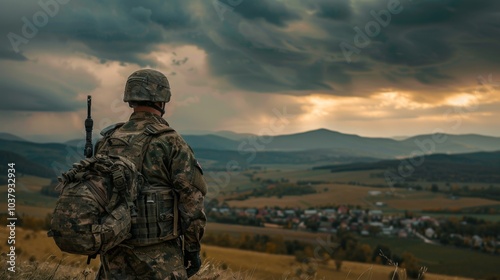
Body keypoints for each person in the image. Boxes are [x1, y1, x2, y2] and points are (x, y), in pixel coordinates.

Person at [94, 69, 207, 279]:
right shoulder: (170, 141)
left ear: (130, 99)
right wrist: (192, 248)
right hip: (159, 254)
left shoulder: (107, 141)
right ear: (162, 99)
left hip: (114, 249)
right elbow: (192, 201)